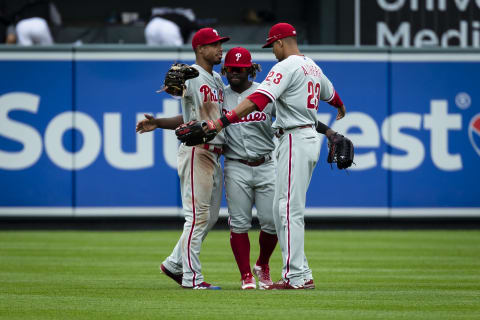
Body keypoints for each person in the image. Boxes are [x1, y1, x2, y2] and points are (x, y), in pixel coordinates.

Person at [137, 45, 341, 290]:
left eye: (241, 69)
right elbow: (196, 118)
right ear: (225, 69)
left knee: (271, 221)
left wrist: (328, 131)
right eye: (231, 68)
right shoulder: (221, 95)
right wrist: (159, 123)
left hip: (266, 163)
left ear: (250, 70)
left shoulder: (265, 93)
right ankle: (245, 276)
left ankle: (262, 265)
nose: (235, 72)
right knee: (238, 223)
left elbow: (294, 115)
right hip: (235, 165)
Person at [200, 22, 347, 289]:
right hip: (306, 137)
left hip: (294, 137)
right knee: (288, 210)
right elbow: (331, 94)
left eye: (272, 46)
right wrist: (338, 106)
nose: (273, 52)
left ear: (280, 42)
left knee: (288, 211)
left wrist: (223, 121)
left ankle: (295, 277)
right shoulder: (312, 66)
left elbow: (259, 99)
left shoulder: (286, 66)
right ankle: (301, 273)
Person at [138, 27, 229, 290]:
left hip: (214, 154)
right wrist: (174, 86)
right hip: (197, 151)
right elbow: (177, 87)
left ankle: (173, 264)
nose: (220, 48)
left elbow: (189, 117)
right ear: (200, 49)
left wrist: (159, 122)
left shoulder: (217, 81)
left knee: (209, 218)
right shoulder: (192, 74)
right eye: (214, 44)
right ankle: (192, 278)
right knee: (198, 217)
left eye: (220, 43)